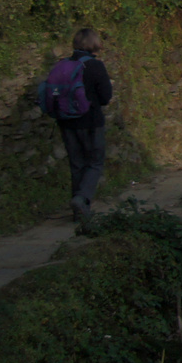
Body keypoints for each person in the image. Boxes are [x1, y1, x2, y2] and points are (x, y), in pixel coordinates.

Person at [56, 28, 114, 221]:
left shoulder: (63, 65)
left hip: (66, 122)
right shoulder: (95, 66)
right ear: (94, 44)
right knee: (95, 163)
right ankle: (81, 200)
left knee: (77, 164)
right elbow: (105, 97)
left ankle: (79, 212)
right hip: (91, 121)